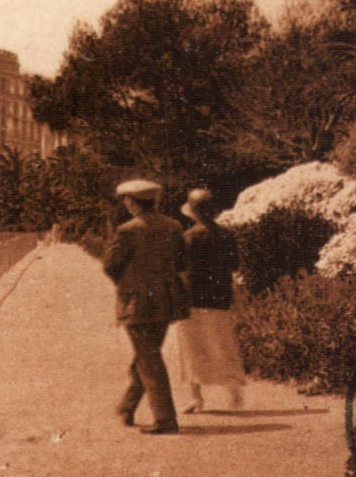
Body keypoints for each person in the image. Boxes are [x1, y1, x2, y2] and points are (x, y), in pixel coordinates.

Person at [102, 179, 192, 434]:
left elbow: (109, 265)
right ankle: (127, 406)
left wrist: (129, 281)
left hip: (137, 303)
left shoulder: (128, 230)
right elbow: (181, 263)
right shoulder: (173, 226)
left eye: (127, 201)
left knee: (149, 358)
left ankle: (165, 419)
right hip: (165, 300)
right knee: (147, 354)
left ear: (132, 203)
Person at [166, 187, 249, 412]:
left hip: (193, 300)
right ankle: (234, 396)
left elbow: (180, 272)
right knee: (224, 347)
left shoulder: (188, 237)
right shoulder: (227, 235)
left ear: (192, 212)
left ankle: (197, 399)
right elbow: (234, 267)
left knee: (191, 350)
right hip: (220, 298)